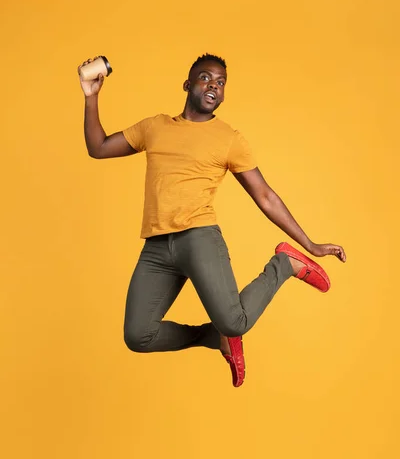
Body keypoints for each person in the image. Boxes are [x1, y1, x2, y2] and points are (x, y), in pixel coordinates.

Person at [78, 53, 346, 388]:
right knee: (138, 335)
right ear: (188, 85)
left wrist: (310, 244)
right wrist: (91, 96)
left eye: (221, 83)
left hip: (198, 239)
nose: (214, 86)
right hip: (157, 248)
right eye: (206, 78)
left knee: (235, 321)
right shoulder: (154, 126)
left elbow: (265, 196)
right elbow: (98, 147)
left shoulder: (228, 138)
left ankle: (285, 264)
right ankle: (213, 336)